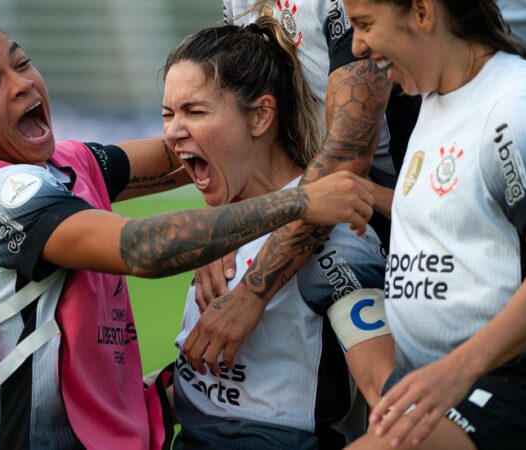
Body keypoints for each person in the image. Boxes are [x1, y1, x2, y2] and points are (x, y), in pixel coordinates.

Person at [0, 19, 377, 450]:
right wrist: (299, 201)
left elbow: (206, 145)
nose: (20, 84)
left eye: (22, 63)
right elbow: (142, 248)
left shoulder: (70, 164)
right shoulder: (5, 197)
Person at [338, 0, 526, 449]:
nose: (357, 45)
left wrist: (454, 372)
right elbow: (459, 214)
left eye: (364, 24)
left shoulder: (519, 103)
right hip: (441, 388)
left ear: (423, 12)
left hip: (519, 393)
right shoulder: (434, 99)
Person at [162, 18, 394, 449]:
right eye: (168, 114)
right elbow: (222, 390)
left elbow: (390, 402)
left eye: (194, 111)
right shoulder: (219, 228)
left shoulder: (330, 236)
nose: (173, 132)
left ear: (261, 116)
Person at [182, 0, 421, 379]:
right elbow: (234, 112)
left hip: (399, 217)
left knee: (398, 398)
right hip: (315, 200)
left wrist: (250, 296)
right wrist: (222, 222)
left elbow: (346, 155)